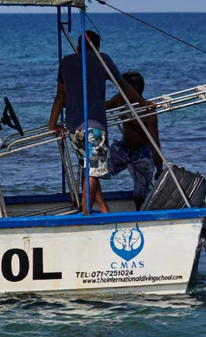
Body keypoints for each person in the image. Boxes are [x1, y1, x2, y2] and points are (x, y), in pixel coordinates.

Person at [48, 30, 143, 213]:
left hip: (73, 127)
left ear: (78, 47)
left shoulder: (66, 62)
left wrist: (52, 124)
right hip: (94, 126)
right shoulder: (103, 59)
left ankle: (103, 208)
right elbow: (123, 86)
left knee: (90, 170)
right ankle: (86, 212)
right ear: (97, 47)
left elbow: (60, 96)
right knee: (94, 170)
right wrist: (143, 102)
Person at [106, 70, 163, 209]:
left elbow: (154, 142)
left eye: (125, 87)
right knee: (98, 169)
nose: (121, 90)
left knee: (140, 195)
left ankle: (141, 218)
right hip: (123, 149)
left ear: (136, 89)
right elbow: (103, 107)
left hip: (142, 155)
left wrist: (159, 169)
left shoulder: (148, 111)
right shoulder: (119, 99)